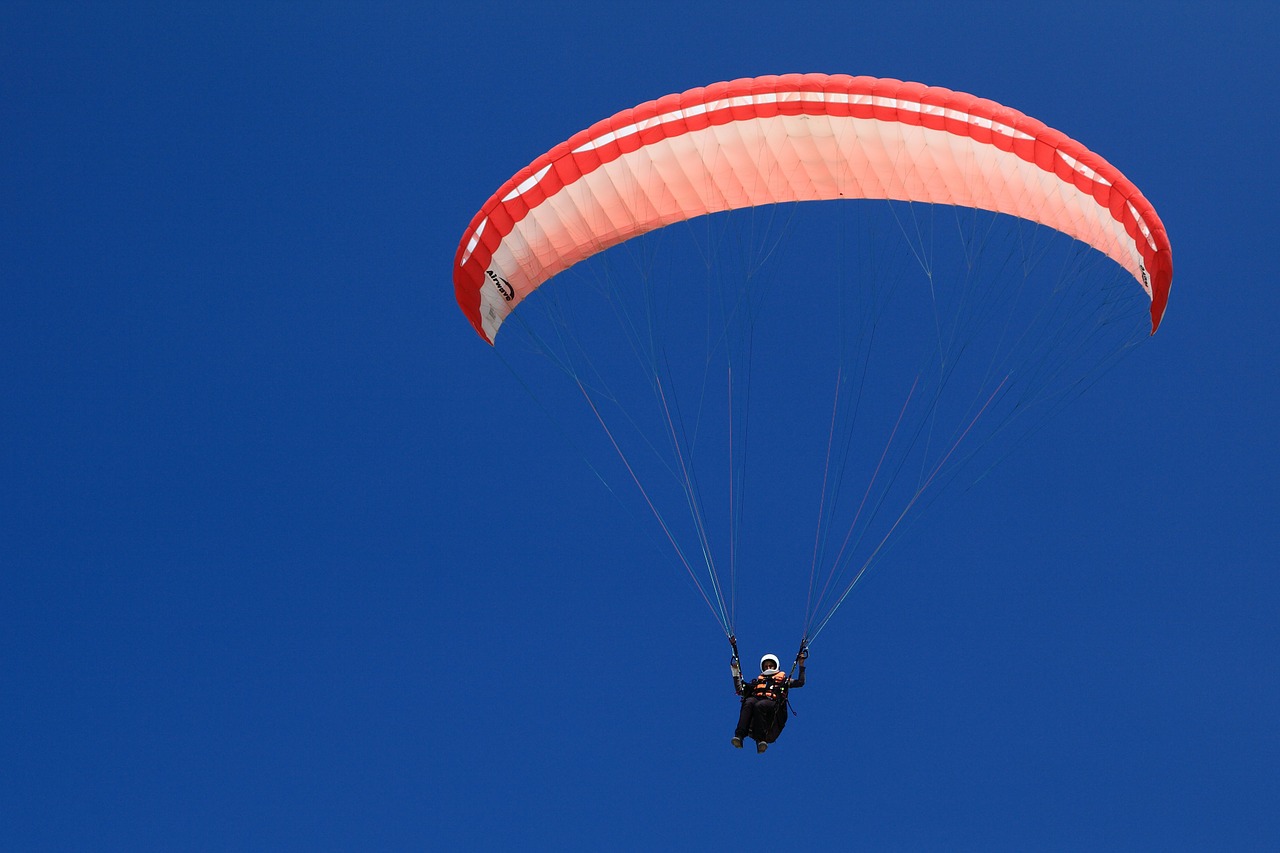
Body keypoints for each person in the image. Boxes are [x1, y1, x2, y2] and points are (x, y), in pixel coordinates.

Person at [732, 648, 806, 753]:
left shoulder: (783, 680)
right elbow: (740, 690)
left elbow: (800, 682)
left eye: (770, 666)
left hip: (774, 708)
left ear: (776, 666)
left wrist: (801, 664)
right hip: (759, 706)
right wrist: (735, 672)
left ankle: (761, 740)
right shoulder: (757, 682)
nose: (768, 668)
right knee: (749, 702)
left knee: (760, 705)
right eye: (766, 666)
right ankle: (739, 736)